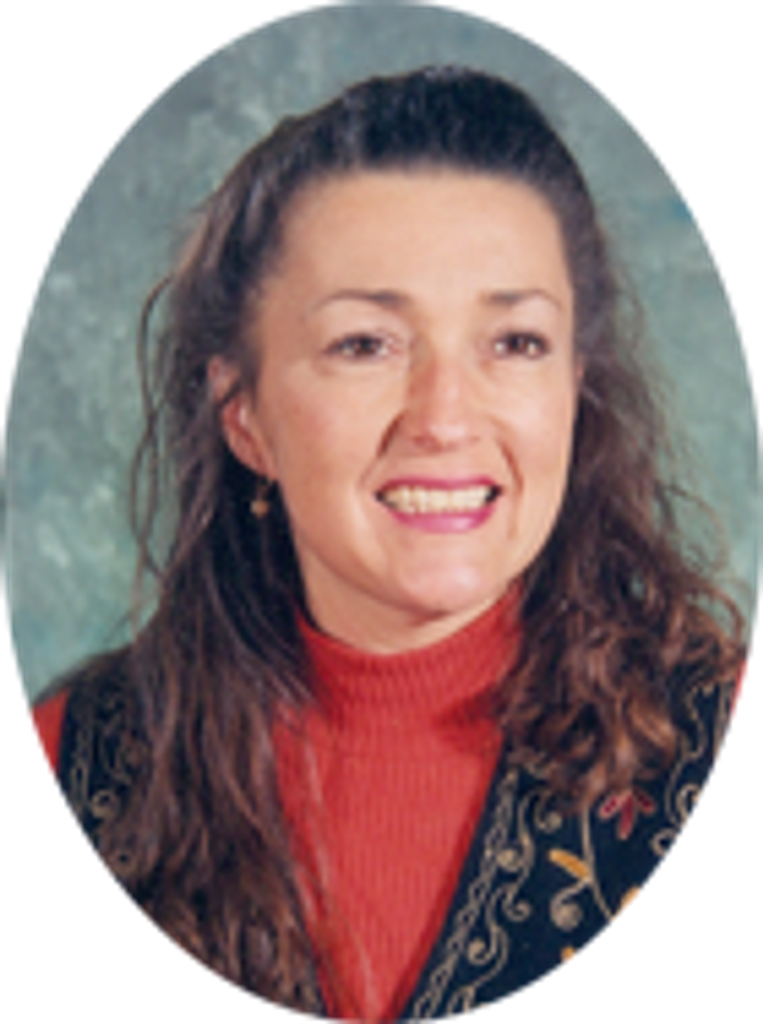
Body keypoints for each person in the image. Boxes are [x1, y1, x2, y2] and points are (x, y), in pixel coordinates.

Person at [26, 66, 750, 1021]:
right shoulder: (72, 763)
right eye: (365, 344)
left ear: (575, 388)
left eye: (514, 342)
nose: (444, 418)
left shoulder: (715, 733)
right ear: (244, 415)